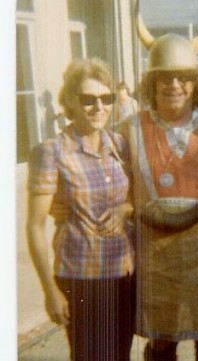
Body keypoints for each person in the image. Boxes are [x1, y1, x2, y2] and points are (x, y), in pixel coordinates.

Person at [120, 8, 198, 361]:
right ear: (151, 84)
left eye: (183, 77)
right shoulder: (129, 128)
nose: (174, 85)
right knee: (161, 341)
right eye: (164, 78)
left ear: (196, 83)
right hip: (157, 260)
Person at [26, 58, 136, 361]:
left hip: (124, 273)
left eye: (106, 98)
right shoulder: (51, 152)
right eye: (88, 99)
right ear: (70, 101)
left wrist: (125, 208)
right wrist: (50, 290)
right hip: (81, 277)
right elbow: (35, 226)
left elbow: (134, 196)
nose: (98, 107)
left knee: (120, 355)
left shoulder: (118, 144)